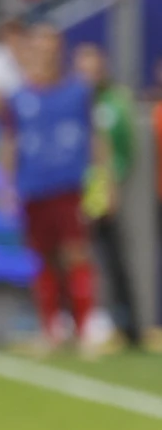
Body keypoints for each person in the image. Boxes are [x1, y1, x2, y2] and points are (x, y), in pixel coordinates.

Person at [0, 25, 104, 355]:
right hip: (33, 186)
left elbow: (95, 136)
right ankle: (52, 329)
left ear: (59, 51)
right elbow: (9, 142)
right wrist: (5, 184)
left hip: (68, 183)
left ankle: (84, 330)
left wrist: (102, 179)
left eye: (50, 46)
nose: (44, 53)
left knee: (75, 253)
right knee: (43, 259)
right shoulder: (18, 98)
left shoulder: (78, 92)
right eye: (38, 46)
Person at [73, 43, 139, 349]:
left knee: (113, 257)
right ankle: (84, 320)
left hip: (104, 185)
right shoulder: (71, 100)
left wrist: (112, 181)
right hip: (74, 187)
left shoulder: (115, 102)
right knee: (78, 256)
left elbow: (124, 146)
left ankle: (129, 324)